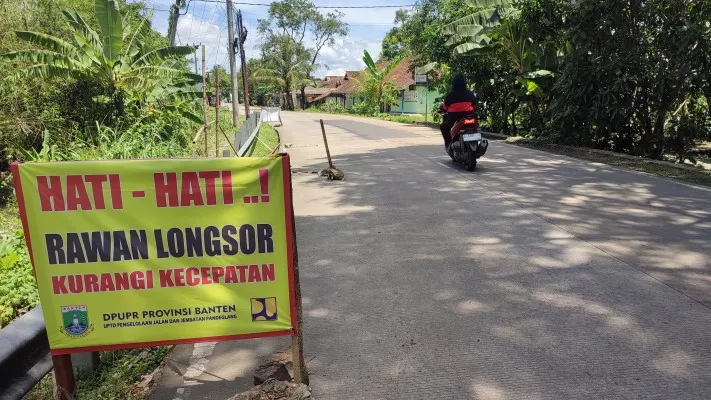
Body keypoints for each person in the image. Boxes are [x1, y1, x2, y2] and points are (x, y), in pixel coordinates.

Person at [439, 74, 478, 149]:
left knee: (443, 127)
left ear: (454, 83)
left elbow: (445, 107)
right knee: (477, 126)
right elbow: (475, 105)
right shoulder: (470, 93)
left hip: (454, 118)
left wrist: (442, 109)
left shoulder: (451, 94)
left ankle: (448, 144)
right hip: (469, 116)